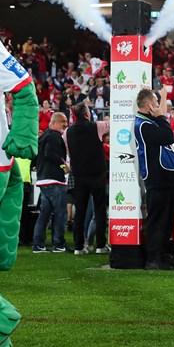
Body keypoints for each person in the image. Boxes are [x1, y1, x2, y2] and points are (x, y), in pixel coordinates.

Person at [134, 88, 174, 270]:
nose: (158, 105)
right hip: (156, 177)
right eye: (156, 101)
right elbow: (169, 136)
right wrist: (161, 116)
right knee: (157, 220)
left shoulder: (151, 122)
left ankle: (163, 255)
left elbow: (172, 141)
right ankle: (153, 258)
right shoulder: (143, 125)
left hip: (166, 177)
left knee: (167, 219)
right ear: (149, 104)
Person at [66, 103, 110, 255]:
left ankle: (78, 247)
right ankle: (100, 245)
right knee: (99, 211)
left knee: (80, 212)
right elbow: (111, 125)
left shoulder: (67, 132)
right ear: (87, 114)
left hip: (79, 175)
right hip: (97, 173)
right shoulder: (97, 126)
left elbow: (69, 152)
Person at [32, 113, 70, 253]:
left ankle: (38, 244)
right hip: (54, 180)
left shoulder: (42, 138)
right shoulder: (54, 136)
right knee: (60, 214)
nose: (65, 124)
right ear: (54, 123)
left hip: (43, 179)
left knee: (44, 214)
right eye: (63, 121)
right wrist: (63, 165)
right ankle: (59, 244)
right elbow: (50, 153)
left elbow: (36, 156)